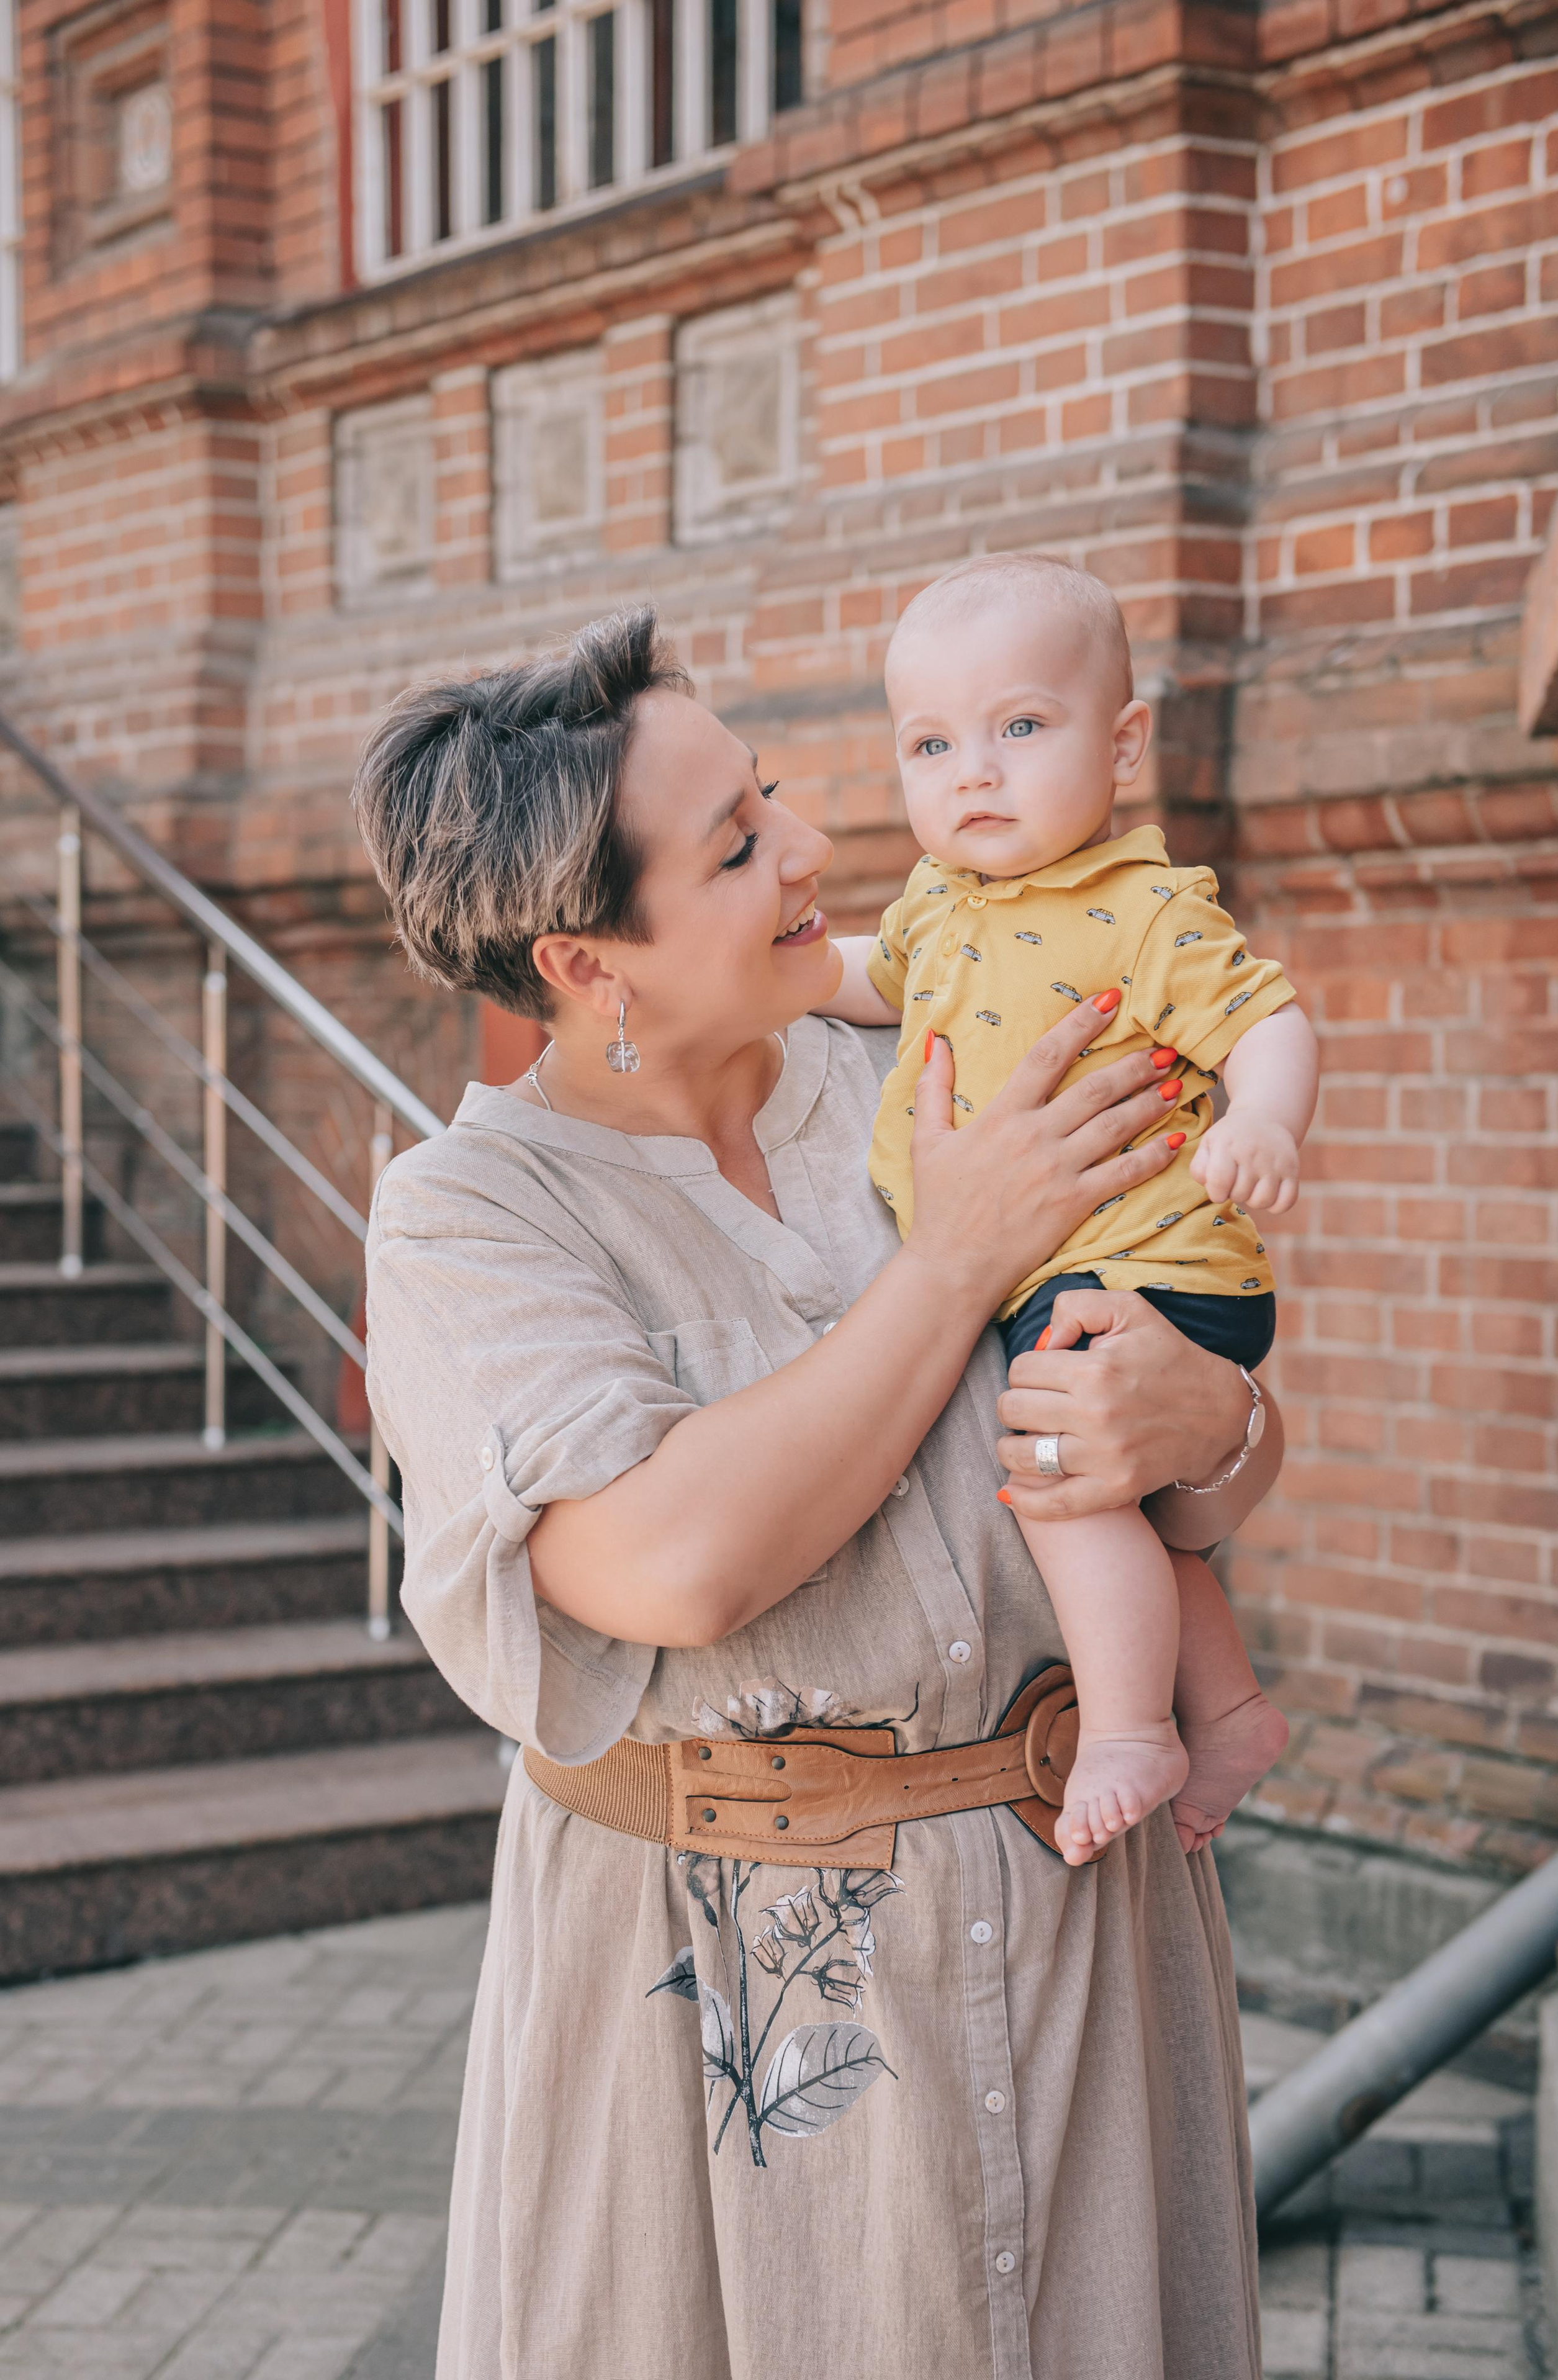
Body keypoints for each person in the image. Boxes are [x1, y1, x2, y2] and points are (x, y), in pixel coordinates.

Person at [353, 605, 1282, 2380]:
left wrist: (1210, 1420)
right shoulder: (473, 1215)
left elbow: (1208, 1442)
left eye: (768, 794)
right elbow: (668, 1561)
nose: (816, 847)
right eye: (736, 845)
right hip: (724, 2009)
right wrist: (955, 1266)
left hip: (1081, 1925)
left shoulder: (937, 1051)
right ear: (587, 962)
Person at [817, 554, 1316, 1865]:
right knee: (1124, 1496)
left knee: (1054, 1479)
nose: (971, 772)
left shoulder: (1142, 906)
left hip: (1146, 1259)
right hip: (1062, 1269)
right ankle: (1230, 1712)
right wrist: (780, 977)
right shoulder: (938, 901)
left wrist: (1262, 1121)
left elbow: (1264, 1017)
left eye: (1018, 728)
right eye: (930, 743)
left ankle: (1125, 1730)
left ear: (1122, 743)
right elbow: (866, 971)